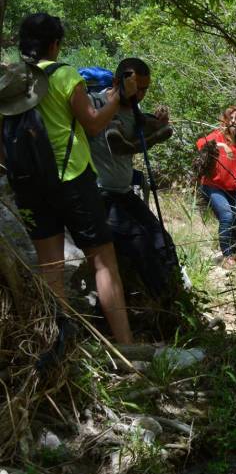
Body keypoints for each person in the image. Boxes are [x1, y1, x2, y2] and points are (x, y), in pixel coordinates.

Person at [2, 13, 136, 343]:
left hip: (29, 185)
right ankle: (127, 347)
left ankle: (60, 345)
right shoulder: (64, 75)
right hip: (73, 178)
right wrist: (118, 96)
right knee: (104, 263)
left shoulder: (10, 81)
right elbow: (92, 123)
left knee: (50, 269)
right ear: (55, 43)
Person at [88, 57, 179, 298]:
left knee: (163, 240)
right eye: (136, 88)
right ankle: (163, 303)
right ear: (119, 82)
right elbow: (119, 146)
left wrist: (160, 125)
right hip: (99, 193)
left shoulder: (135, 111)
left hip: (123, 192)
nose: (140, 95)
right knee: (140, 241)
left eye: (145, 89)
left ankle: (179, 294)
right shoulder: (96, 103)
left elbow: (159, 129)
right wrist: (154, 138)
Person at [196, 106, 236, 268]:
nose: (233, 121)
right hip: (213, 185)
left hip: (233, 188)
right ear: (225, 120)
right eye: (231, 118)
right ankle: (227, 255)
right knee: (226, 215)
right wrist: (221, 146)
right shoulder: (218, 135)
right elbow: (200, 143)